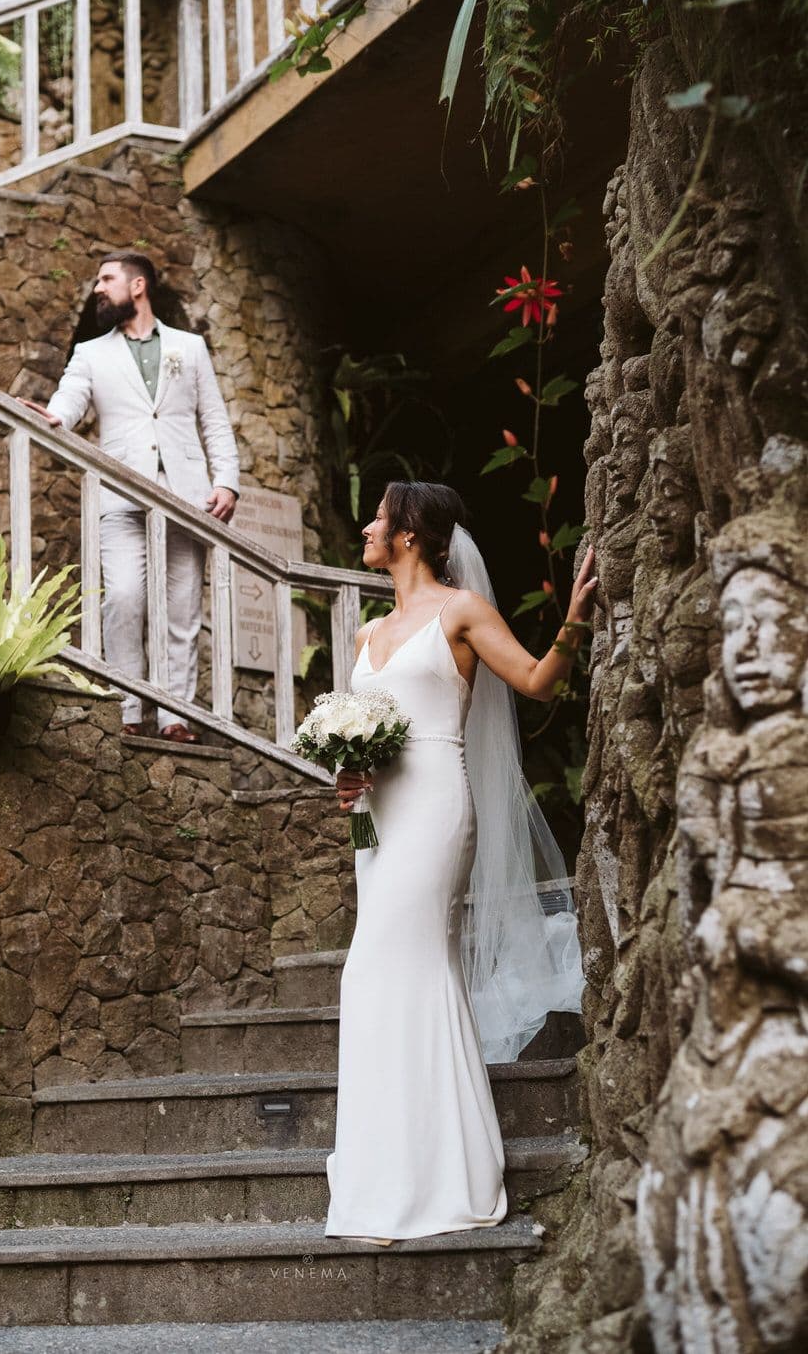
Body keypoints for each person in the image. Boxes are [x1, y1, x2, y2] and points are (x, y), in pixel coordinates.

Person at [326, 481, 595, 1244]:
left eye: (380, 518)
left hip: (439, 807)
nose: (368, 527)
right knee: (387, 977)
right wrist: (351, 775)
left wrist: (573, 620)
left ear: (410, 536)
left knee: (383, 971)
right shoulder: (366, 633)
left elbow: (542, 681)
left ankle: (441, 1177)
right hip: (380, 819)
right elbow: (373, 738)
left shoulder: (462, 613)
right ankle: (397, 1173)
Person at [20, 253, 240, 741]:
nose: (99, 288)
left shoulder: (190, 347)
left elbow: (214, 421)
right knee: (121, 599)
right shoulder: (91, 353)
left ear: (138, 285)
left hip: (187, 496)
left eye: (107, 279)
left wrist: (225, 481)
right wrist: (56, 417)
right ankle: (128, 707)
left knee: (181, 610)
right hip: (120, 495)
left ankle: (175, 716)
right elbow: (71, 397)